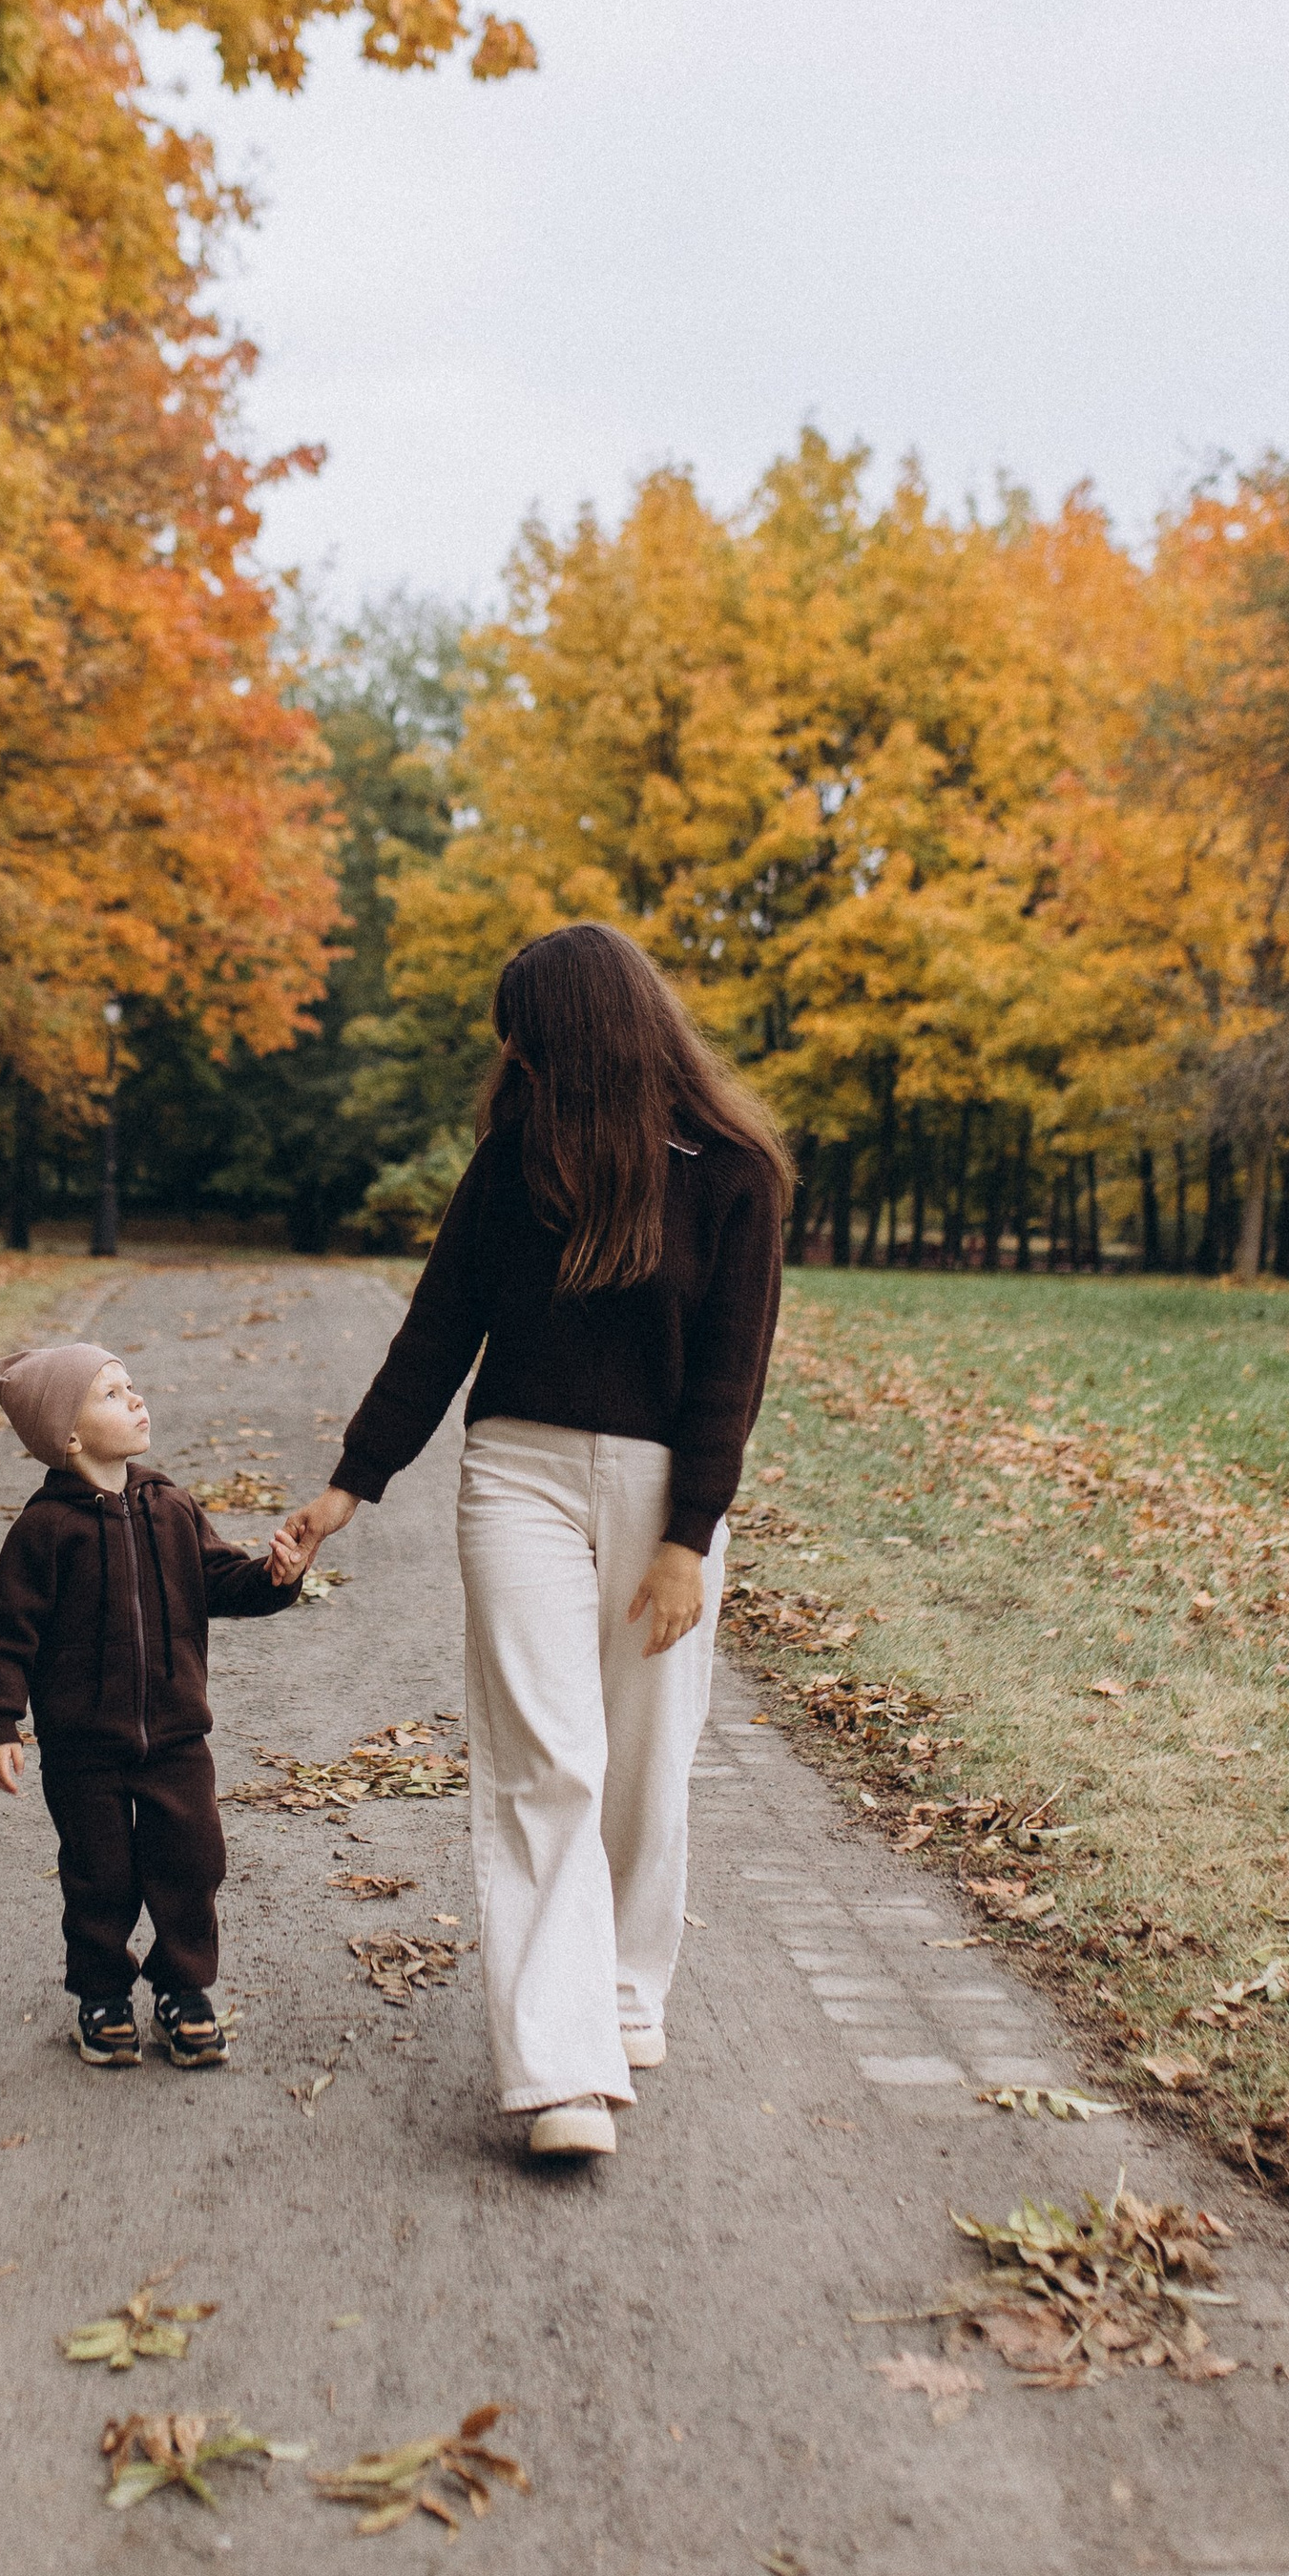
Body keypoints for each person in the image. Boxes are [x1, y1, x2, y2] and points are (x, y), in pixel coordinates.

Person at [280, 924, 789, 2161]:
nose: (520, 1065)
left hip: (668, 1494)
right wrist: (354, 1481)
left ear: (590, 1036)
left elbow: (734, 1375)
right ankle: (561, 2070)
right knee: (546, 1760)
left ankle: (622, 1994)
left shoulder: (734, 1171)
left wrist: (688, 1536)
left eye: (534, 1041)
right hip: (520, 1480)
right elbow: (437, 1333)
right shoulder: (513, 1168)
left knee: (644, 1757)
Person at [0, 1341, 304, 2070]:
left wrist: (274, 1577)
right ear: (67, 1435)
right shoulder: (44, 1530)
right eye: (113, 1395)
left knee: (192, 1863)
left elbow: (221, 1581)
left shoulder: (171, 1507)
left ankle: (183, 1991)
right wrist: (1, 1722)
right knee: (100, 1874)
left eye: (134, 1388)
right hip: (82, 1749)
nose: (137, 1402)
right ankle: (102, 1995)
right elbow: (5, 1634)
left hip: (178, 1737)